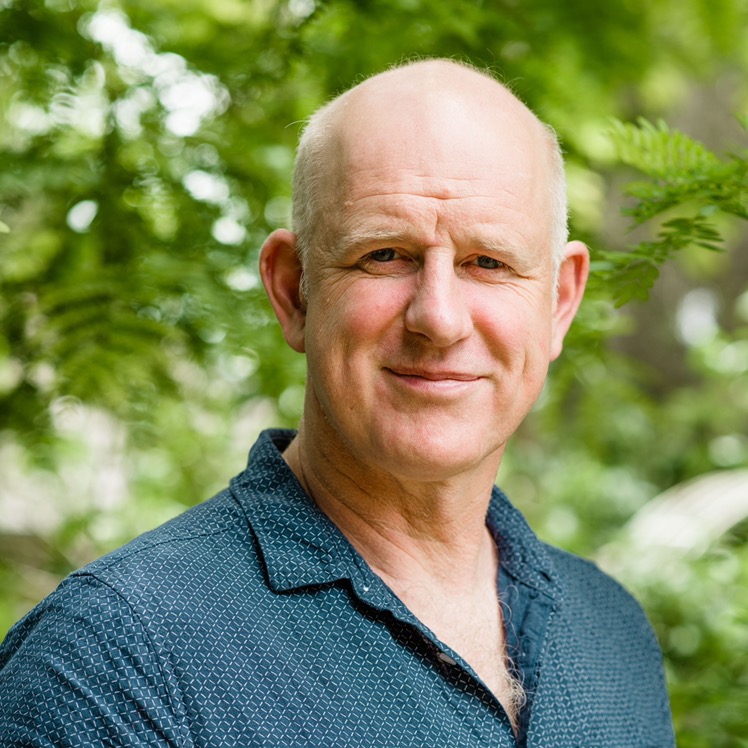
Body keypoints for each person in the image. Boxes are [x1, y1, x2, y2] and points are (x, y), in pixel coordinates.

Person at [0, 59, 675, 747]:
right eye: (385, 255)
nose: (438, 318)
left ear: (559, 302)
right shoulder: (110, 661)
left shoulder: (612, 631)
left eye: (489, 262)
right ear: (293, 291)